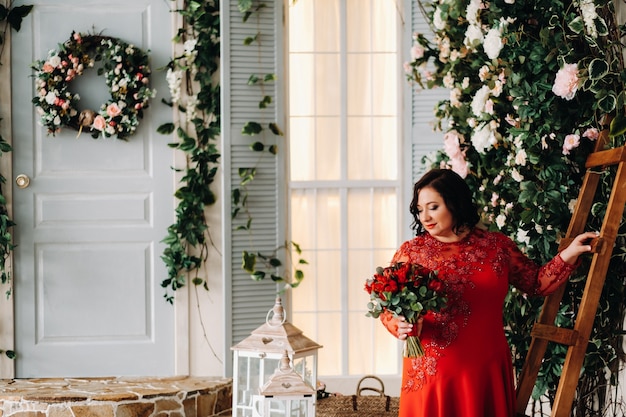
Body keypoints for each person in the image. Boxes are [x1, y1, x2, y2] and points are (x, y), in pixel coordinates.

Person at [380, 168, 597, 417]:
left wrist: (569, 254)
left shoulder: (497, 246)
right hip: (433, 371)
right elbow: (388, 306)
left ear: (455, 203)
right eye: (420, 209)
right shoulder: (412, 252)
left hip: (486, 367)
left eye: (433, 207)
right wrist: (400, 324)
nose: (425, 217)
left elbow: (536, 283)